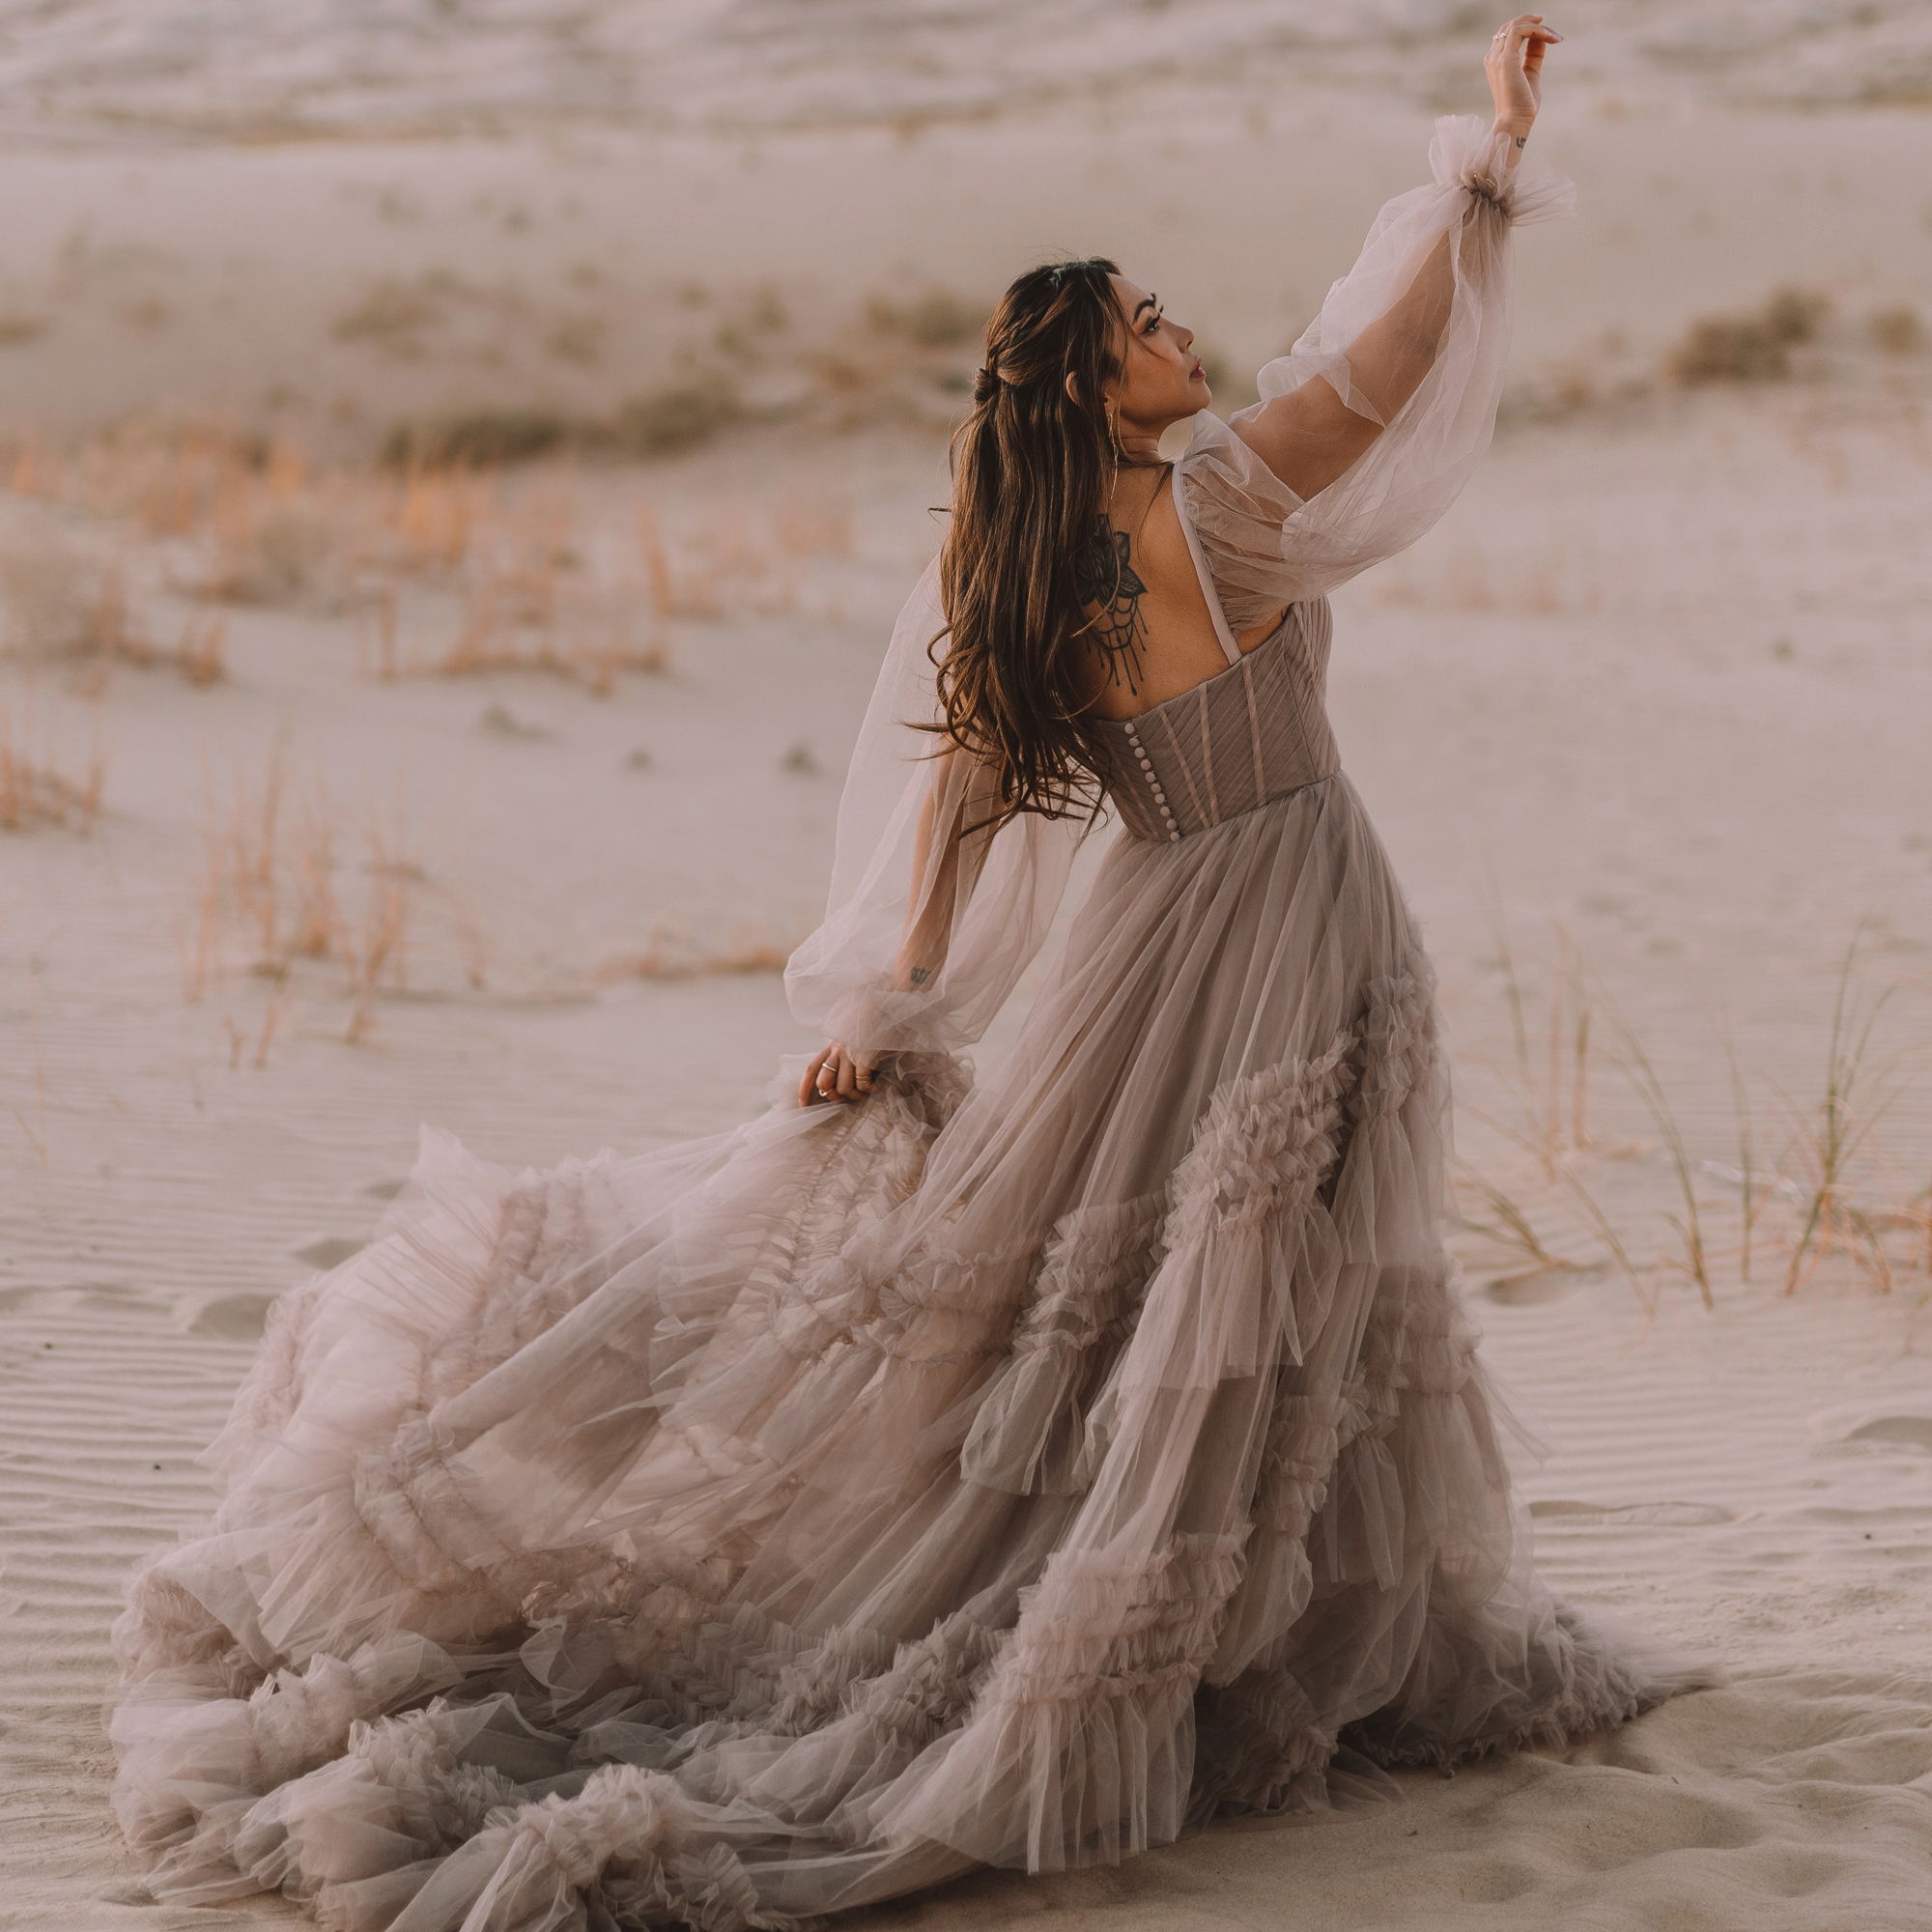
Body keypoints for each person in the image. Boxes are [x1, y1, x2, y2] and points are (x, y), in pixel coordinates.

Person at [111, 18, 1709, 1931]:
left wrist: (897, 997)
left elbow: (960, 796)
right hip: (1281, 925)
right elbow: (1375, 379)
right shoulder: (1210, 505)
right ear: (1093, 381)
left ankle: (1236, 1638)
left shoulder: (1030, 566)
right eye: (1148, 322)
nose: (1183, 334)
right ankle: (1221, 1653)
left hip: (1158, 937)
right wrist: (1481, 167)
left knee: (1163, 1290)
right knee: (1251, 1282)